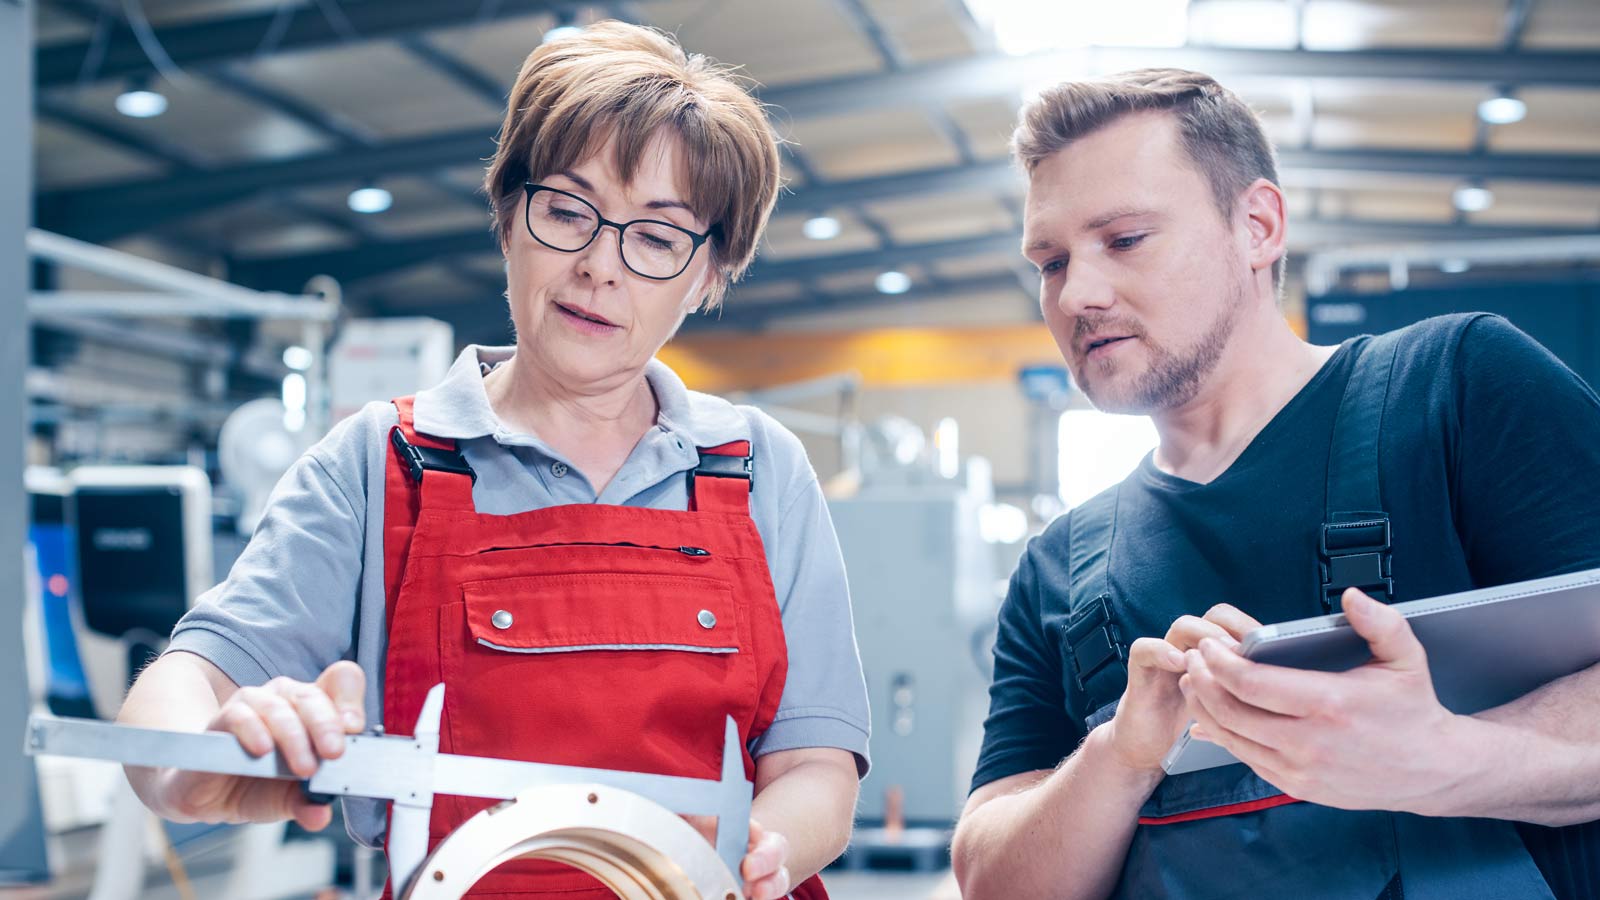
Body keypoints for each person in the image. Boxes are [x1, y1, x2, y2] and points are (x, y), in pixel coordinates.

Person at [116, 22, 869, 900]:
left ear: (708, 276)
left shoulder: (758, 471)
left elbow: (820, 768)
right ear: (507, 213)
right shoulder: (381, 463)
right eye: (567, 211)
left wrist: (749, 857)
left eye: (657, 239)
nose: (599, 266)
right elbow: (189, 678)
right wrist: (192, 763)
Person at [951, 68, 1600, 900]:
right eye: (1049, 261)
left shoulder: (1458, 389)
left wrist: (1443, 758)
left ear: (1257, 226)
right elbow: (993, 882)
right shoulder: (1061, 568)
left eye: (1124, 239)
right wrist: (1122, 754)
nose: (1077, 293)